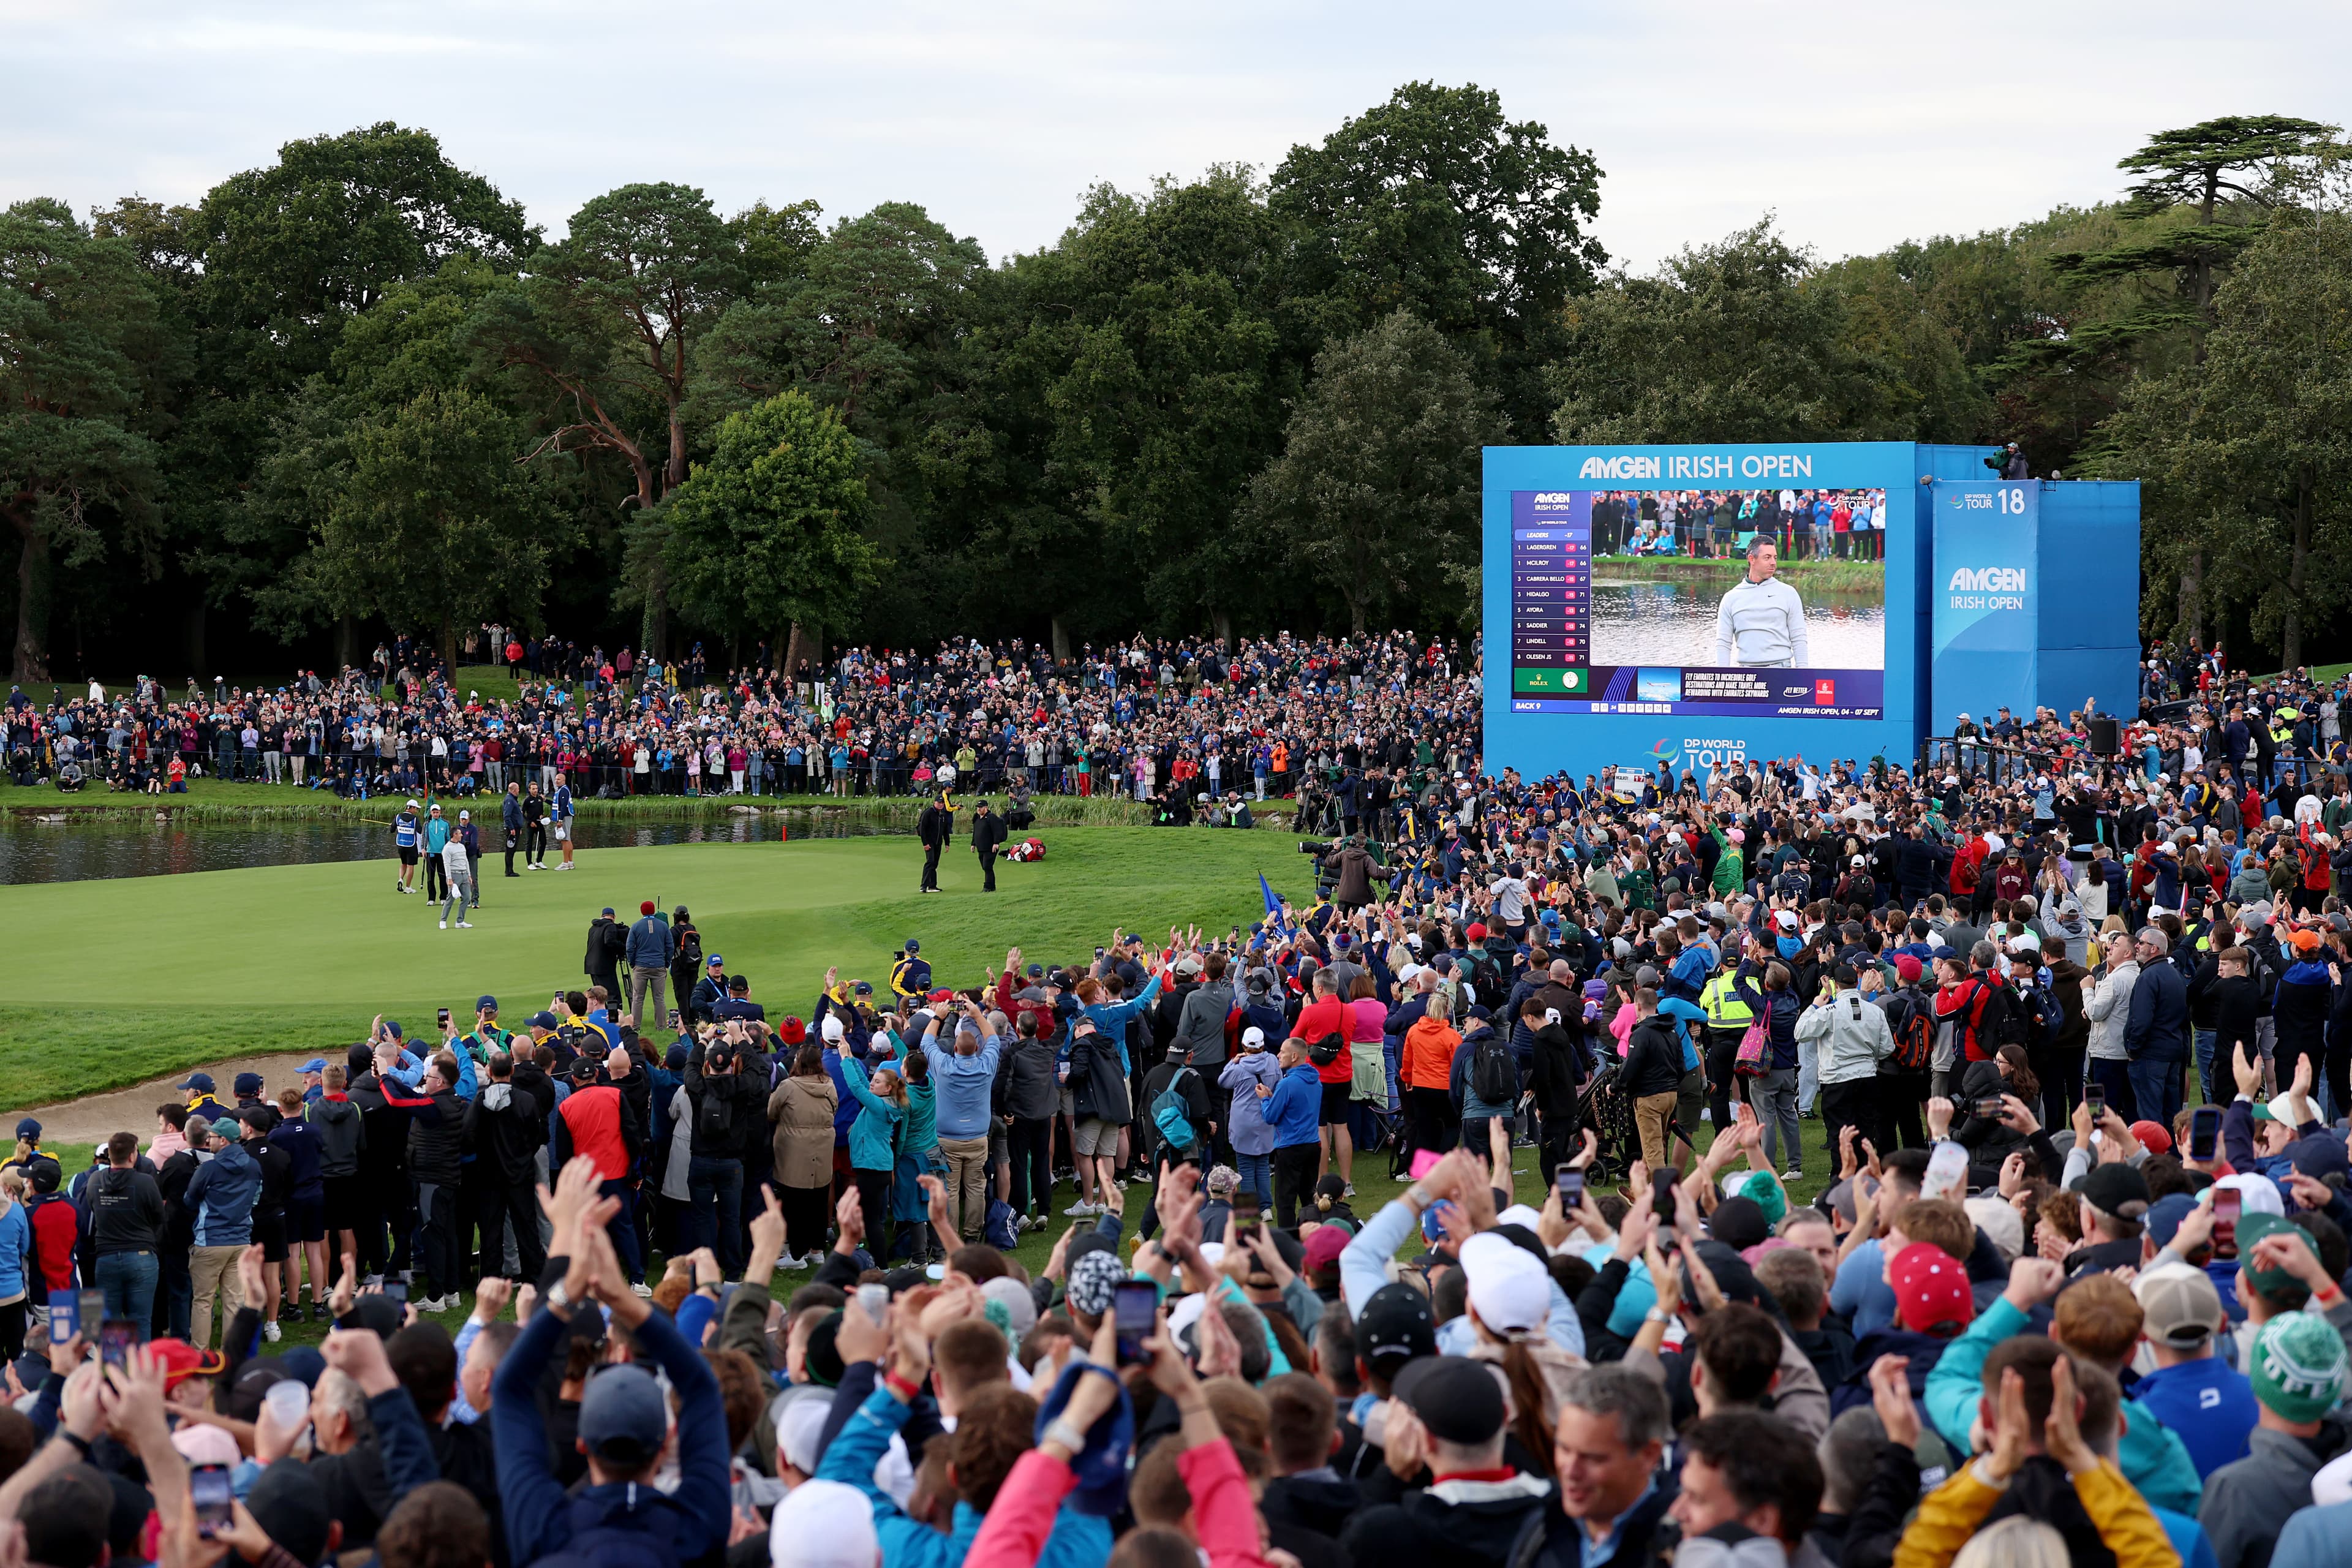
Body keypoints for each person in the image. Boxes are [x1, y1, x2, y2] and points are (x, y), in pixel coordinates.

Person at [1711, 535, 1811, 669]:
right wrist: (1721, 675)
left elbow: (1799, 638)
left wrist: (1803, 672)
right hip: (1746, 675)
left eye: (1775, 558)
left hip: (1781, 672)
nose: (1773, 563)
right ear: (1752, 559)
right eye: (1767, 558)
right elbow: (1723, 642)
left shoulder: (1788, 593)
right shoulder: (1731, 598)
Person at [973, 797, 1008, 892]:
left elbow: (997, 831)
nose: (979, 809)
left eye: (981, 807)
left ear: (986, 808)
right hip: (981, 848)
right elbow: (975, 832)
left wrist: (996, 843)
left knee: (987, 866)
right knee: (985, 867)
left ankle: (988, 887)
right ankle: (991, 887)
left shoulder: (991, 817)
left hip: (991, 848)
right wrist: (973, 844)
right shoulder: (977, 818)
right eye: (978, 807)